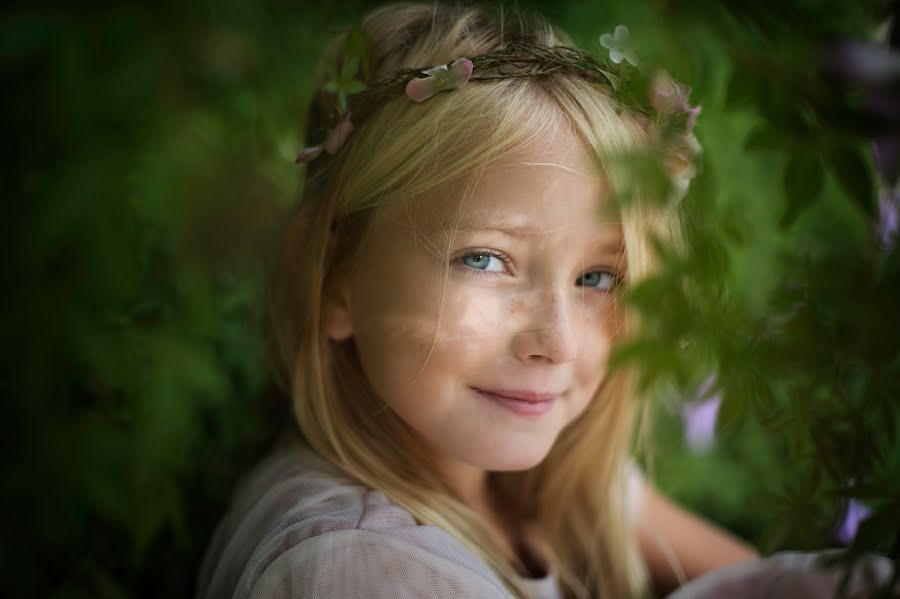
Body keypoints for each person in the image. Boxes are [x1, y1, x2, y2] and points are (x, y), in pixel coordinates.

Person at [196, 3, 762, 598]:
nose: (558, 343)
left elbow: (769, 587)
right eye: (485, 259)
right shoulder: (365, 569)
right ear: (332, 275)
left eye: (596, 278)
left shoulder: (546, 481)